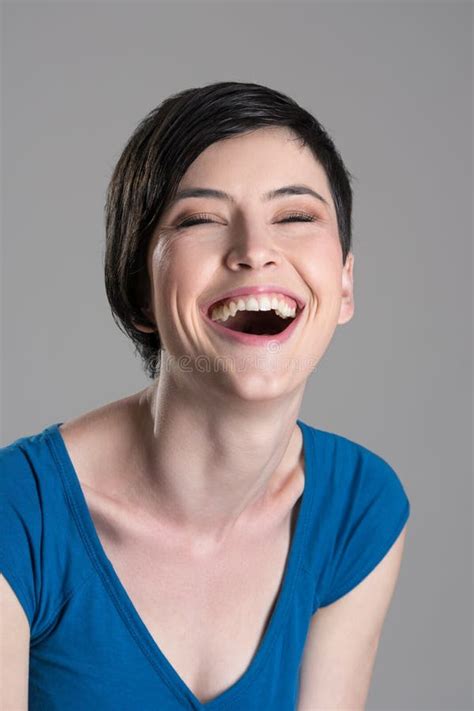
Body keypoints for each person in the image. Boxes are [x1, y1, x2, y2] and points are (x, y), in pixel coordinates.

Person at [0, 81, 410, 710]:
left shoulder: (358, 509)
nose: (254, 252)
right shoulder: (18, 516)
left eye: (295, 216)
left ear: (346, 286)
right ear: (139, 289)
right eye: (200, 220)